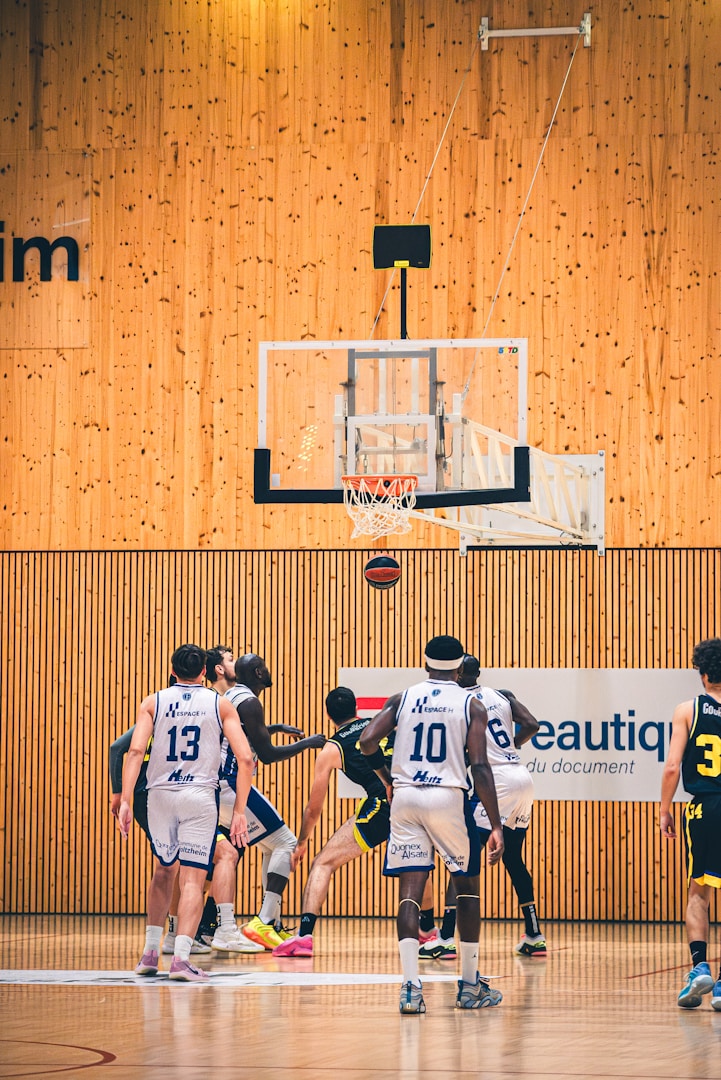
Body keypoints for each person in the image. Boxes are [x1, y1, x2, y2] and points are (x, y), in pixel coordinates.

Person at [360, 635, 505, 1014]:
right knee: (466, 887)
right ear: (459, 669)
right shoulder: (471, 704)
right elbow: (480, 766)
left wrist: (387, 779)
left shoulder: (402, 698)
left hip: (406, 797)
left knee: (410, 890)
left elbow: (367, 740)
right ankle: (470, 986)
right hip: (447, 797)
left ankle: (410, 987)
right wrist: (495, 824)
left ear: (425, 665)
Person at [117, 644, 255, 982]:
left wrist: (125, 800)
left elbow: (134, 751)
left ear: (173, 671)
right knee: (192, 878)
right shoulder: (220, 704)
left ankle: (150, 953)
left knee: (163, 871)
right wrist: (239, 811)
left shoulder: (153, 702)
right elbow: (245, 759)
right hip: (199, 796)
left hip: (159, 796)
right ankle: (180, 959)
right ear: (205, 672)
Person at [272, 687, 437, 957]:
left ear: (328, 715)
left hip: (384, 803)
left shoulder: (332, 748)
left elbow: (314, 808)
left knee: (322, 863)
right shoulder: (379, 724)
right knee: (416, 863)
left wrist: (302, 842)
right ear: (356, 709)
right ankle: (428, 930)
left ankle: (304, 937)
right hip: (416, 798)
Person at [421, 655, 546, 961]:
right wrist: (510, 745)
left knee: (461, 857)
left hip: (495, 781)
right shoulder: (502, 695)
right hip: (521, 777)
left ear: (458, 672)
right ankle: (534, 936)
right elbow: (532, 724)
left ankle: (446, 938)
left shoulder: (458, 701)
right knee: (513, 857)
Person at [209, 648, 326, 950]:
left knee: (270, 846)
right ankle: (262, 921)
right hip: (230, 784)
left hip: (217, 787)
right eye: (264, 666)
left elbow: (248, 734)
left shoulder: (233, 696)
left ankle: (271, 923)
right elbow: (269, 755)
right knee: (287, 842)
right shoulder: (250, 701)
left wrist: (274, 728)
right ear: (259, 673)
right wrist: (308, 743)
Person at [109, 718, 210, 957]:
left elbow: (117, 748)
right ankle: (176, 941)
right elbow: (119, 748)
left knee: (169, 865)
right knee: (183, 868)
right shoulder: (194, 713)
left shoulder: (160, 713)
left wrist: (119, 794)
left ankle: (159, 944)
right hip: (171, 792)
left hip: (149, 795)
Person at [660, 637, 721, 1011]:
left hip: (704, 808)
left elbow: (672, 766)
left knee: (699, 892)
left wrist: (664, 809)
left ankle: (700, 966)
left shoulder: (687, 709)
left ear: (702, 674)